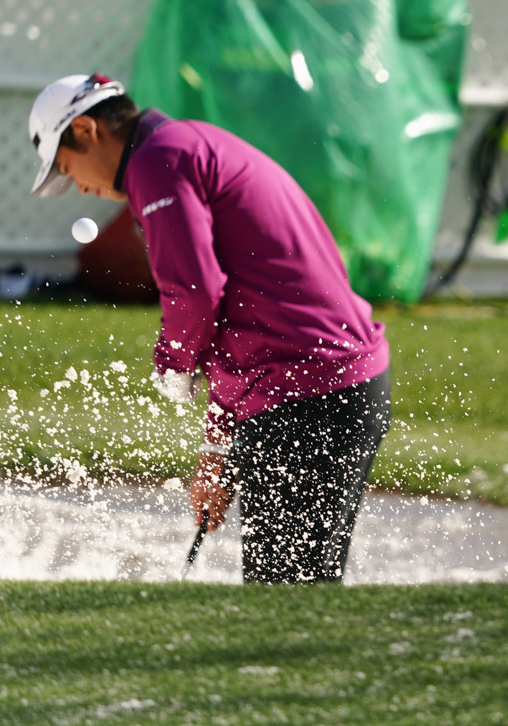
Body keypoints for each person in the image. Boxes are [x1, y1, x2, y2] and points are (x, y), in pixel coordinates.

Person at [27, 73, 392, 584]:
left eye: (69, 169)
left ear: (86, 130)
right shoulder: (183, 146)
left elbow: (195, 294)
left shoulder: (159, 161)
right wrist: (216, 452)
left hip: (311, 398)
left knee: (289, 608)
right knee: (294, 598)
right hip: (321, 390)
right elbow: (228, 323)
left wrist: (173, 364)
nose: (81, 188)